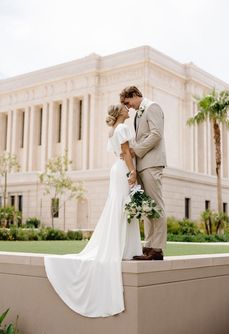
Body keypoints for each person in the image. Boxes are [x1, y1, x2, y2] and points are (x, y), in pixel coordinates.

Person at [44, 104, 142, 318]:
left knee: (120, 206)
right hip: (123, 169)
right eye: (125, 108)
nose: (128, 109)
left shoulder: (113, 130)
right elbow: (125, 152)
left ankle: (124, 247)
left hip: (116, 169)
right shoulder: (123, 128)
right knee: (123, 207)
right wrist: (133, 172)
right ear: (120, 113)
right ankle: (124, 249)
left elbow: (124, 151)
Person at [120, 86, 167, 261]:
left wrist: (135, 151)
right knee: (148, 208)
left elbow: (156, 134)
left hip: (152, 163)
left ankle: (158, 248)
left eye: (128, 102)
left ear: (135, 95)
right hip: (142, 165)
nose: (128, 107)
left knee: (157, 205)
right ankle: (149, 247)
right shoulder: (139, 113)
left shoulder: (153, 107)